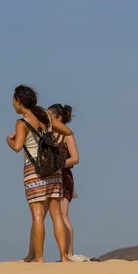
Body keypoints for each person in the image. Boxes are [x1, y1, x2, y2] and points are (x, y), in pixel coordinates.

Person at [6, 85, 72, 263]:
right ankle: (64, 257)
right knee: (56, 214)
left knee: (37, 215)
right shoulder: (46, 117)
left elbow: (18, 147)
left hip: (34, 170)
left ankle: (39, 258)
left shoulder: (22, 122)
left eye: (14, 100)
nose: (12, 103)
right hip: (53, 169)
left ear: (19, 101)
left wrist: (9, 141)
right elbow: (67, 131)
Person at [21, 103, 87, 262]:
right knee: (39, 215)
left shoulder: (66, 134)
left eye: (49, 115)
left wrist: (55, 164)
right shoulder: (46, 132)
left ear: (58, 118)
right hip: (46, 176)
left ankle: (67, 254)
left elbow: (75, 158)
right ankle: (32, 254)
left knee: (61, 215)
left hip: (63, 177)